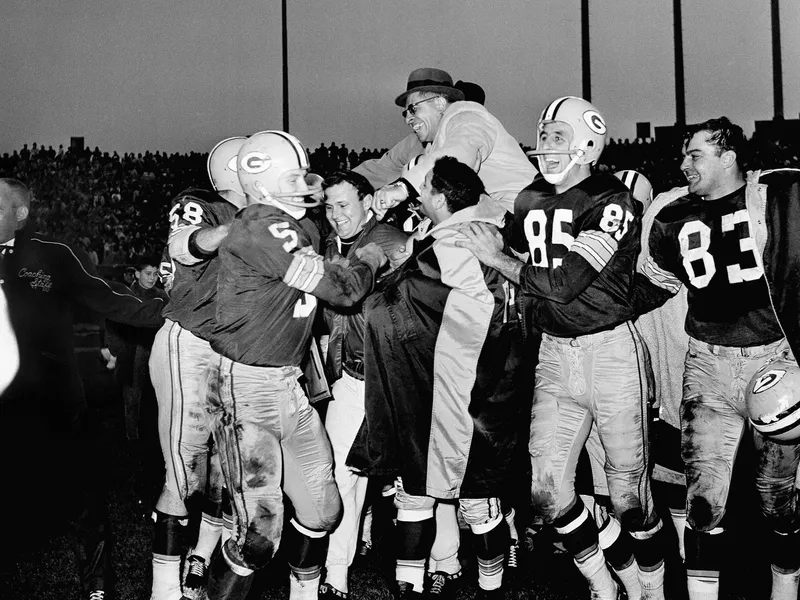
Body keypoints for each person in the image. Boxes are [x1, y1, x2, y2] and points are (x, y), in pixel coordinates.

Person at [457, 97, 666, 600]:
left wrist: (498, 258)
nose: (544, 146)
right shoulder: (530, 197)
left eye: (556, 136)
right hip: (555, 352)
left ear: (586, 143)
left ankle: (654, 590)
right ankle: (608, 583)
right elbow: (505, 244)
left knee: (629, 500)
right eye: (543, 134)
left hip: (611, 355)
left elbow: (562, 282)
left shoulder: (609, 198)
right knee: (547, 494)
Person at [205, 130, 388, 600]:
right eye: (292, 177)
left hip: (288, 383)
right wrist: (367, 257)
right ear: (262, 184)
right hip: (245, 388)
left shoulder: (295, 226)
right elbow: (345, 290)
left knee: (323, 511)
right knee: (260, 532)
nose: (304, 186)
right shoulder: (262, 226)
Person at [349, 156, 529, 600]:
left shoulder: (453, 243)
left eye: (426, 187)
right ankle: (489, 588)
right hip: (493, 381)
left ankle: (414, 587)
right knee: (474, 497)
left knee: (423, 492)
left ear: (443, 197)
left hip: (452, 385)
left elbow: (396, 302)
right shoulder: (497, 230)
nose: (421, 194)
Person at [637, 117, 800, 600]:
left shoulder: (775, 196)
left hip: (774, 362)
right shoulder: (670, 213)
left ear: (728, 157)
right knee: (704, 501)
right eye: (684, 154)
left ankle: (785, 587)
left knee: (778, 499)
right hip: (707, 363)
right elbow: (650, 284)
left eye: (696, 154)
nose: (684, 163)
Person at [0, 177, 165, 600]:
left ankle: (96, 586)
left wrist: (176, 311)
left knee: (81, 495)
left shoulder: (53, 256)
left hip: (52, 394)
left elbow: (109, 297)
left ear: (20, 214)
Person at [147, 136, 249, 600]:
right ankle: (163, 588)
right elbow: (184, 247)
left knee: (227, 469)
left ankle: (198, 563)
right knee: (184, 471)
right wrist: (246, 227)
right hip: (190, 342)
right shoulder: (200, 206)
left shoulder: (268, 218)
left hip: (234, 347)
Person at [317, 170, 408, 600]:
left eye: (344, 205)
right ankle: (337, 575)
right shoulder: (334, 243)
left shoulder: (390, 241)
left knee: (412, 486)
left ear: (369, 203)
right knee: (341, 474)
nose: (335, 215)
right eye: (329, 206)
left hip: (396, 383)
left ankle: (431, 567)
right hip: (354, 377)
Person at [372, 67, 535, 216]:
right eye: (405, 113)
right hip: (493, 215)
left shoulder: (467, 117)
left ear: (440, 103)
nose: (408, 118)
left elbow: (455, 157)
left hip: (521, 215)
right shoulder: (434, 144)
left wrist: (403, 188)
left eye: (413, 109)